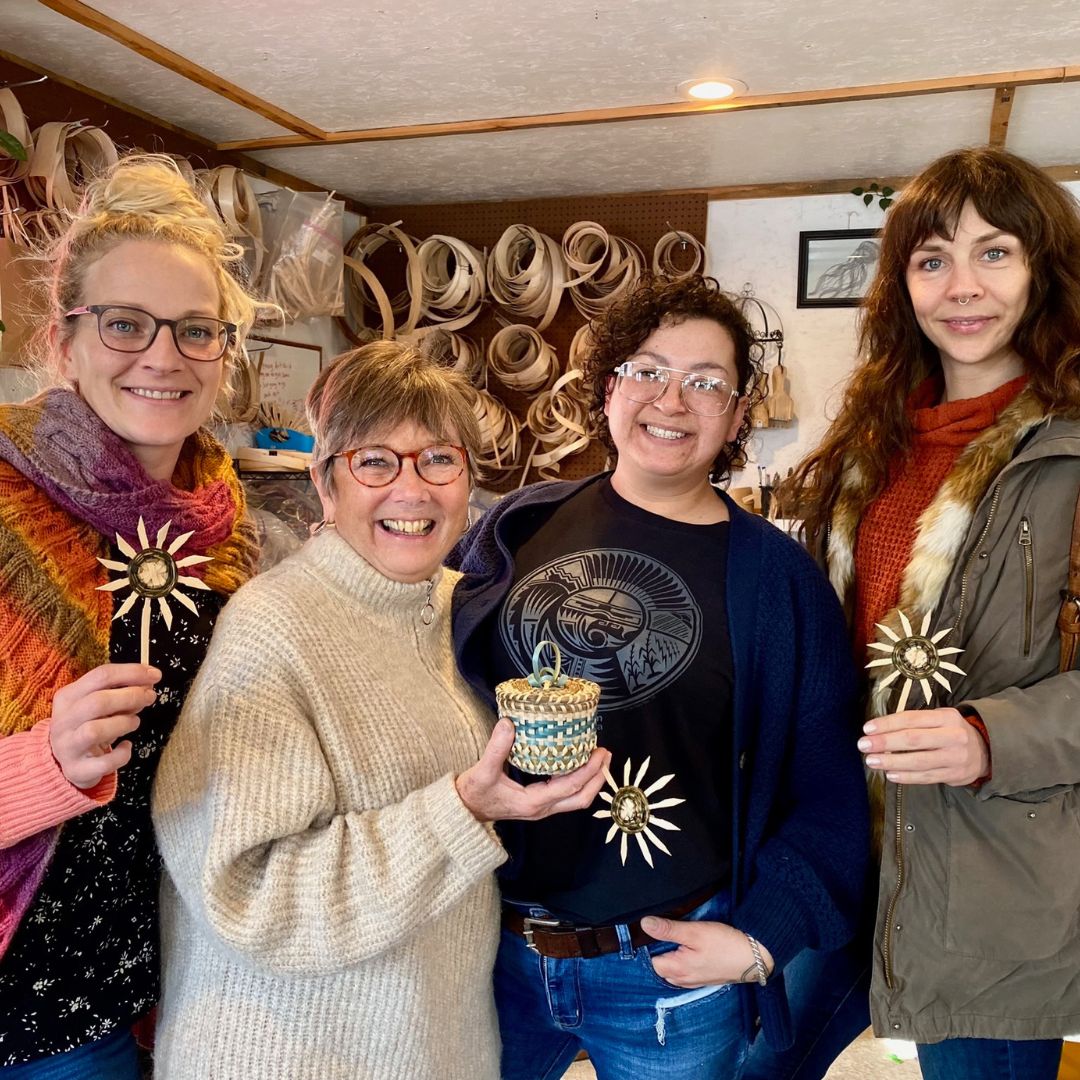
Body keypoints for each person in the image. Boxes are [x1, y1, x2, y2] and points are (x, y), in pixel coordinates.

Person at [448, 274, 870, 1079]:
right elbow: (426, 687)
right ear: (610, 390)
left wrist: (761, 939)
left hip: (668, 975)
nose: (671, 400)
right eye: (648, 371)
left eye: (706, 383)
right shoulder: (519, 524)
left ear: (739, 415)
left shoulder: (779, 584)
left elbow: (828, 788)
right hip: (488, 950)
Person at [151, 343, 609, 1080]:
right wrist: (464, 810)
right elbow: (250, 895)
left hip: (431, 1045)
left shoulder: (458, 606)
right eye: (375, 462)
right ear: (324, 485)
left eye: (438, 459)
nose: (413, 489)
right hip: (291, 1056)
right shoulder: (274, 630)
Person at [791, 147, 1080, 1080]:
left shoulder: (1071, 451)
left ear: (1044, 269)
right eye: (931, 259)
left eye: (995, 253)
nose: (962, 287)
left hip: (991, 881)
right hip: (841, 848)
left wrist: (994, 736)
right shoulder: (865, 446)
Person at [0, 155, 263, 1077]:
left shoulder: (225, 535)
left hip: (121, 1007)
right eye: (125, 324)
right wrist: (45, 765)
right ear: (64, 341)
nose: (163, 356)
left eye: (197, 330)